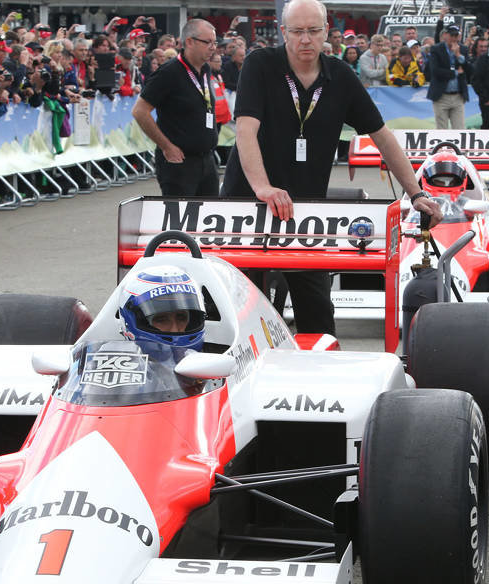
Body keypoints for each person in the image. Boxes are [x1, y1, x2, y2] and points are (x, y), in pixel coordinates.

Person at [220, 0, 442, 336]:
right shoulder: (260, 64)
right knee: (243, 308)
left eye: (313, 31)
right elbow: (245, 130)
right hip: (248, 205)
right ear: (283, 32)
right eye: (296, 32)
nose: (305, 39)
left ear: (326, 32)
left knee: (318, 312)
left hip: (306, 213)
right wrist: (263, 187)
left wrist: (417, 192)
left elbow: (383, 138)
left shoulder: (340, 75)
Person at [132, 18, 219, 197]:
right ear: (189, 42)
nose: (213, 47)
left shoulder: (205, 70)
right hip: (180, 163)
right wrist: (166, 146)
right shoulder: (169, 72)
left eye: (214, 42)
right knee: (180, 221)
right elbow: (140, 111)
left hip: (207, 160)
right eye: (207, 42)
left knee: (208, 220)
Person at [426, 25, 471, 129]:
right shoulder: (436, 49)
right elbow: (435, 71)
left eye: (456, 35)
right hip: (441, 96)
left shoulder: (463, 49)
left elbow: (469, 70)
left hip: (458, 96)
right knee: (442, 129)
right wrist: (455, 73)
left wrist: (459, 56)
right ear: (445, 35)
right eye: (452, 35)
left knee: (459, 129)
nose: (454, 38)